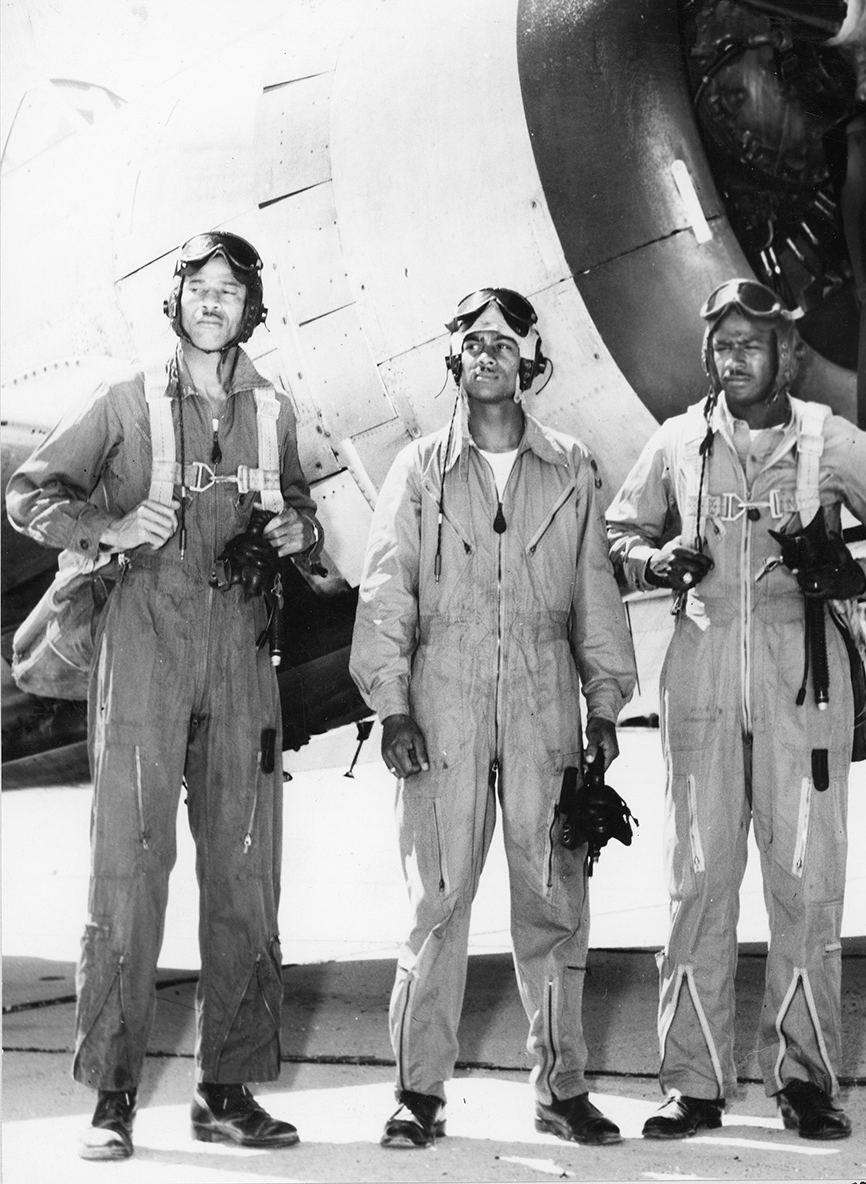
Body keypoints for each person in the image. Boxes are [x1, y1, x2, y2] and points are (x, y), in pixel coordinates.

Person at [6, 232, 324, 1160]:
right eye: (199, 289)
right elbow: (30, 493)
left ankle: (225, 1091)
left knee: (244, 878)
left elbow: (301, 514)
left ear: (250, 309)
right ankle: (110, 1098)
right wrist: (107, 525)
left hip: (241, 655)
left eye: (231, 291)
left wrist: (294, 529)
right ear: (176, 302)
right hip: (143, 650)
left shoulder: (273, 412)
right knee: (126, 876)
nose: (213, 303)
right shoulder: (122, 399)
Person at [606, 278, 866, 1141]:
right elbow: (616, 534)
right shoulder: (678, 444)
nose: (733, 356)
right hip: (702, 685)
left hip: (805, 686)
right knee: (696, 886)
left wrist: (851, 575)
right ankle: (692, 1083)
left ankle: (806, 1083)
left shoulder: (834, 444)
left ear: (784, 352)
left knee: (807, 891)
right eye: (720, 342)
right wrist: (654, 559)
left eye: (751, 342)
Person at [349, 287, 637, 1149]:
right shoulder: (417, 469)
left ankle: (561, 1088)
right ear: (454, 361)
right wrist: (392, 705)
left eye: (504, 345)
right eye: (473, 342)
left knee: (553, 903)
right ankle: (417, 1093)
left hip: (546, 700)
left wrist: (605, 703)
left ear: (530, 363)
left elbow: (596, 593)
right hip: (443, 697)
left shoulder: (571, 466)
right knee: (436, 900)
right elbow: (386, 590)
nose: (487, 355)